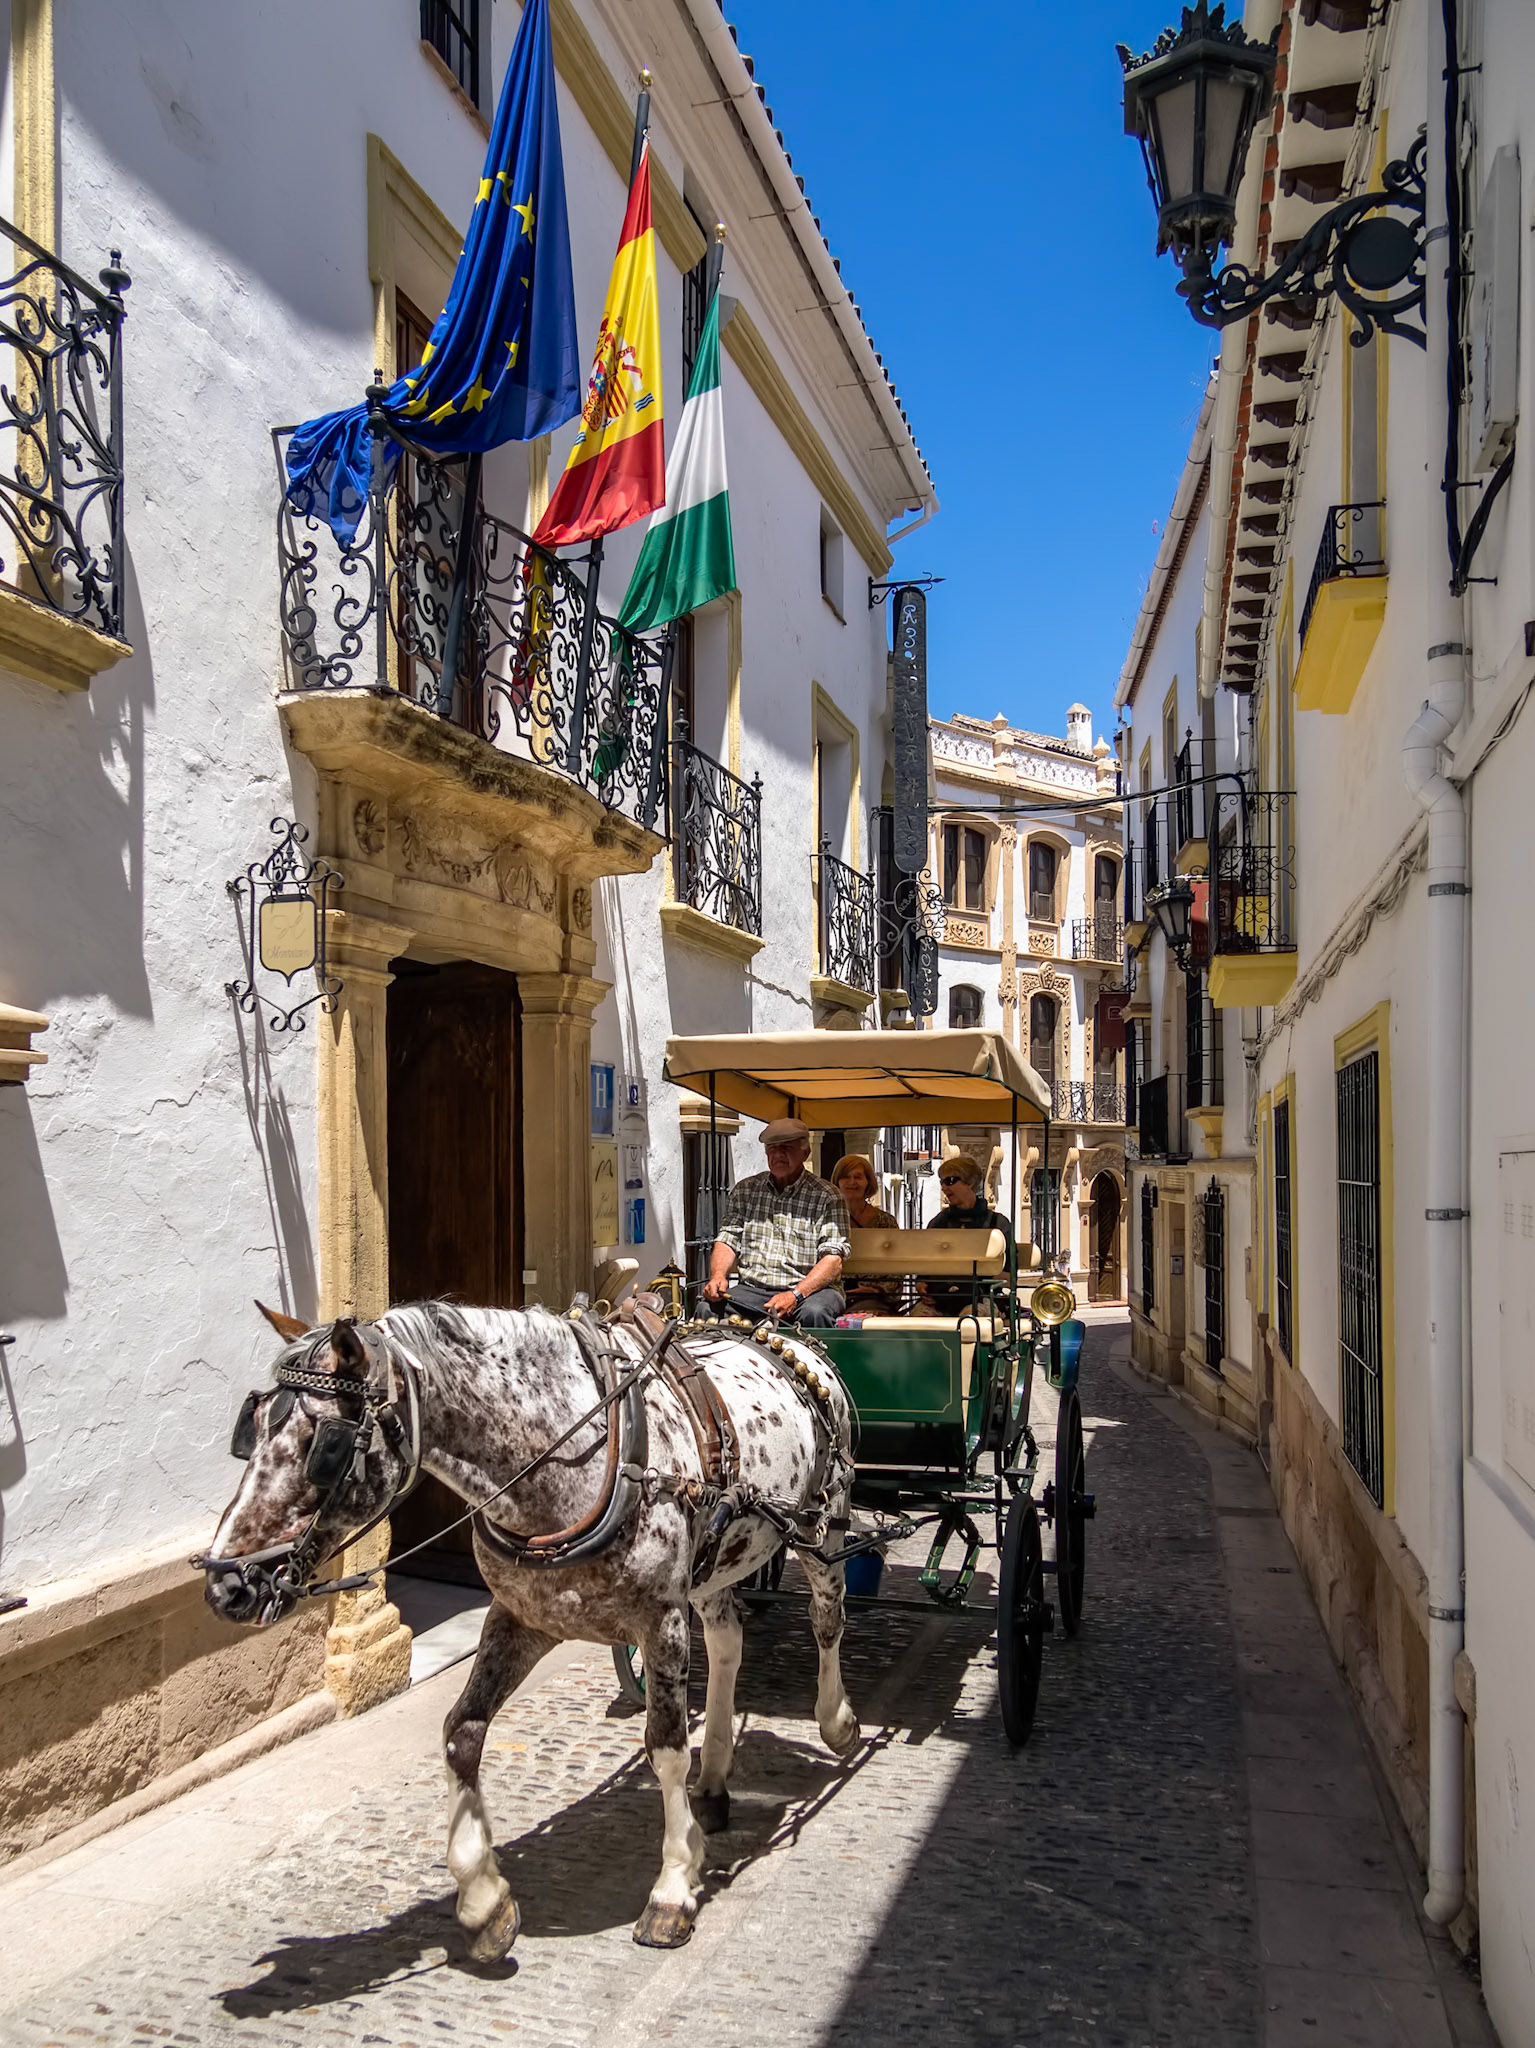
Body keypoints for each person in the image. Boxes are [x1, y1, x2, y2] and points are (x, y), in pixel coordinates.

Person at [702, 1118, 851, 1328]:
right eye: (772, 1149)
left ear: (805, 1153)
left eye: (787, 1148)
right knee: (707, 1309)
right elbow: (727, 1239)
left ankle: (819, 1360)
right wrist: (718, 1276)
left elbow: (833, 1260)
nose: (778, 1155)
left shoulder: (827, 1196)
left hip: (812, 1291)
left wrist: (795, 1295)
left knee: (814, 1313)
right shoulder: (746, 1190)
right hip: (753, 1290)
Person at [921, 1153, 1014, 1313]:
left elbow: (1010, 1277)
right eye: (942, 1182)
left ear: (969, 1183)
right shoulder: (938, 1223)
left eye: (950, 1181)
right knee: (916, 1319)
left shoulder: (997, 1224)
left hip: (982, 1299)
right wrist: (921, 1284)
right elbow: (925, 1268)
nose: (944, 1187)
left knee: (970, 1319)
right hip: (940, 1300)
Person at [829, 1153, 901, 1316]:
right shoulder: (828, 1220)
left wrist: (876, 1289)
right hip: (834, 1295)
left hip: (875, 1298)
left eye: (858, 1177)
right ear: (837, 1182)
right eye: (846, 1177)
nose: (852, 1182)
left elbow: (897, 1269)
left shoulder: (886, 1222)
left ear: (868, 1182)